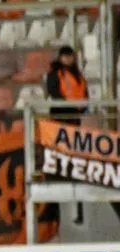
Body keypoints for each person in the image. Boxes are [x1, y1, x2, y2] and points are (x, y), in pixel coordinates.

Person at [46, 45, 89, 224]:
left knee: (74, 163)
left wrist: (82, 107)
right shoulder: (55, 74)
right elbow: (54, 94)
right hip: (61, 122)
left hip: (74, 121)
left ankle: (77, 212)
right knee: (59, 161)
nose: (68, 60)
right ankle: (53, 211)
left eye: (70, 56)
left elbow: (84, 95)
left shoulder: (79, 75)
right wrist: (73, 106)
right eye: (65, 56)